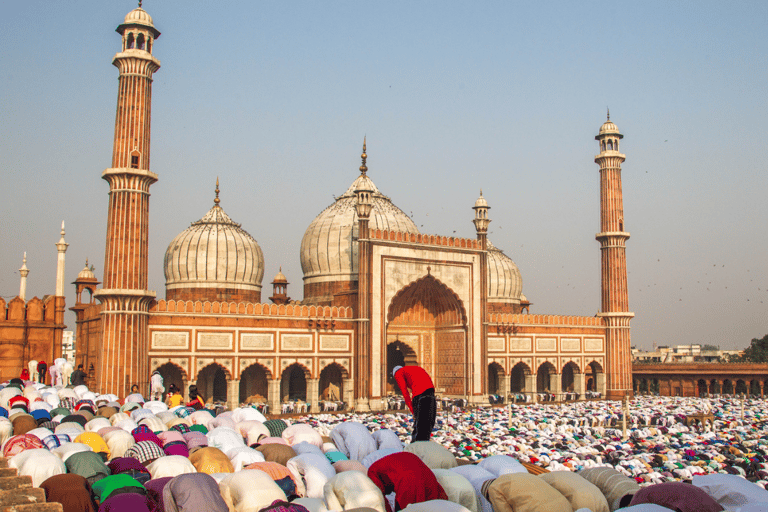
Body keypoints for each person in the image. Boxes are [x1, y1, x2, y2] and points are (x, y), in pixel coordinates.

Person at [392, 365, 437, 442]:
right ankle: (425, 443)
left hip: (420, 395)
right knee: (428, 422)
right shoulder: (413, 368)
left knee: (419, 425)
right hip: (431, 392)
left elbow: (405, 393)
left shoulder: (398, 373)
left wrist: (413, 411)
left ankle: (417, 446)